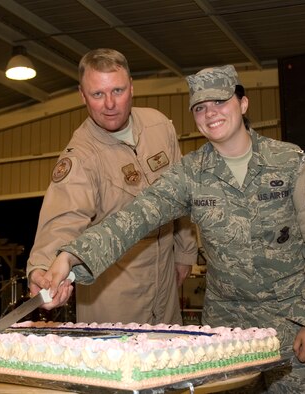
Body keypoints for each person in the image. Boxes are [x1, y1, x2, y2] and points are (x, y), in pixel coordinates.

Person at [39, 65, 305, 393]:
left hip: (294, 323)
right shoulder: (190, 174)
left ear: (242, 104)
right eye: (200, 108)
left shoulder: (290, 162)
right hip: (228, 336)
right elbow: (133, 218)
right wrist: (70, 257)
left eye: (219, 102)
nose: (210, 113)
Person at [27, 48, 197, 325]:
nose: (109, 104)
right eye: (97, 94)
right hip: (113, 285)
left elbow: (181, 192)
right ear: (83, 96)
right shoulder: (80, 156)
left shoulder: (158, 125)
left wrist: (185, 252)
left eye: (117, 90)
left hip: (165, 274)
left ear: (132, 87)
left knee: (169, 355)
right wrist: (43, 269)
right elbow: (62, 219)